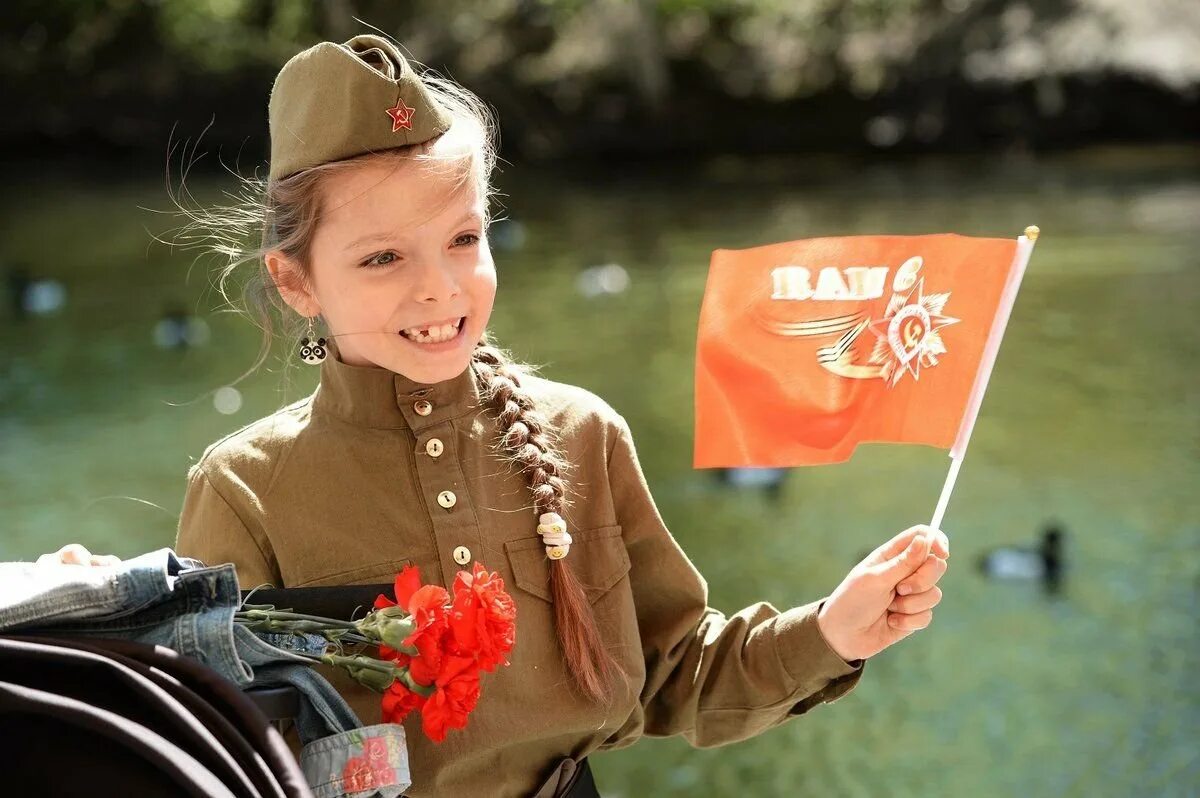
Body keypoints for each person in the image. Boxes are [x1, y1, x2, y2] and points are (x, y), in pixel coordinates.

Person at [42, 33, 950, 798]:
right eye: (382, 257)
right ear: (295, 281)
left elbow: (679, 676)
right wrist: (93, 625)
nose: (440, 287)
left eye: (465, 240)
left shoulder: (584, 435)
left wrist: (835, 627)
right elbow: (212, 751)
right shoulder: (245, 489)